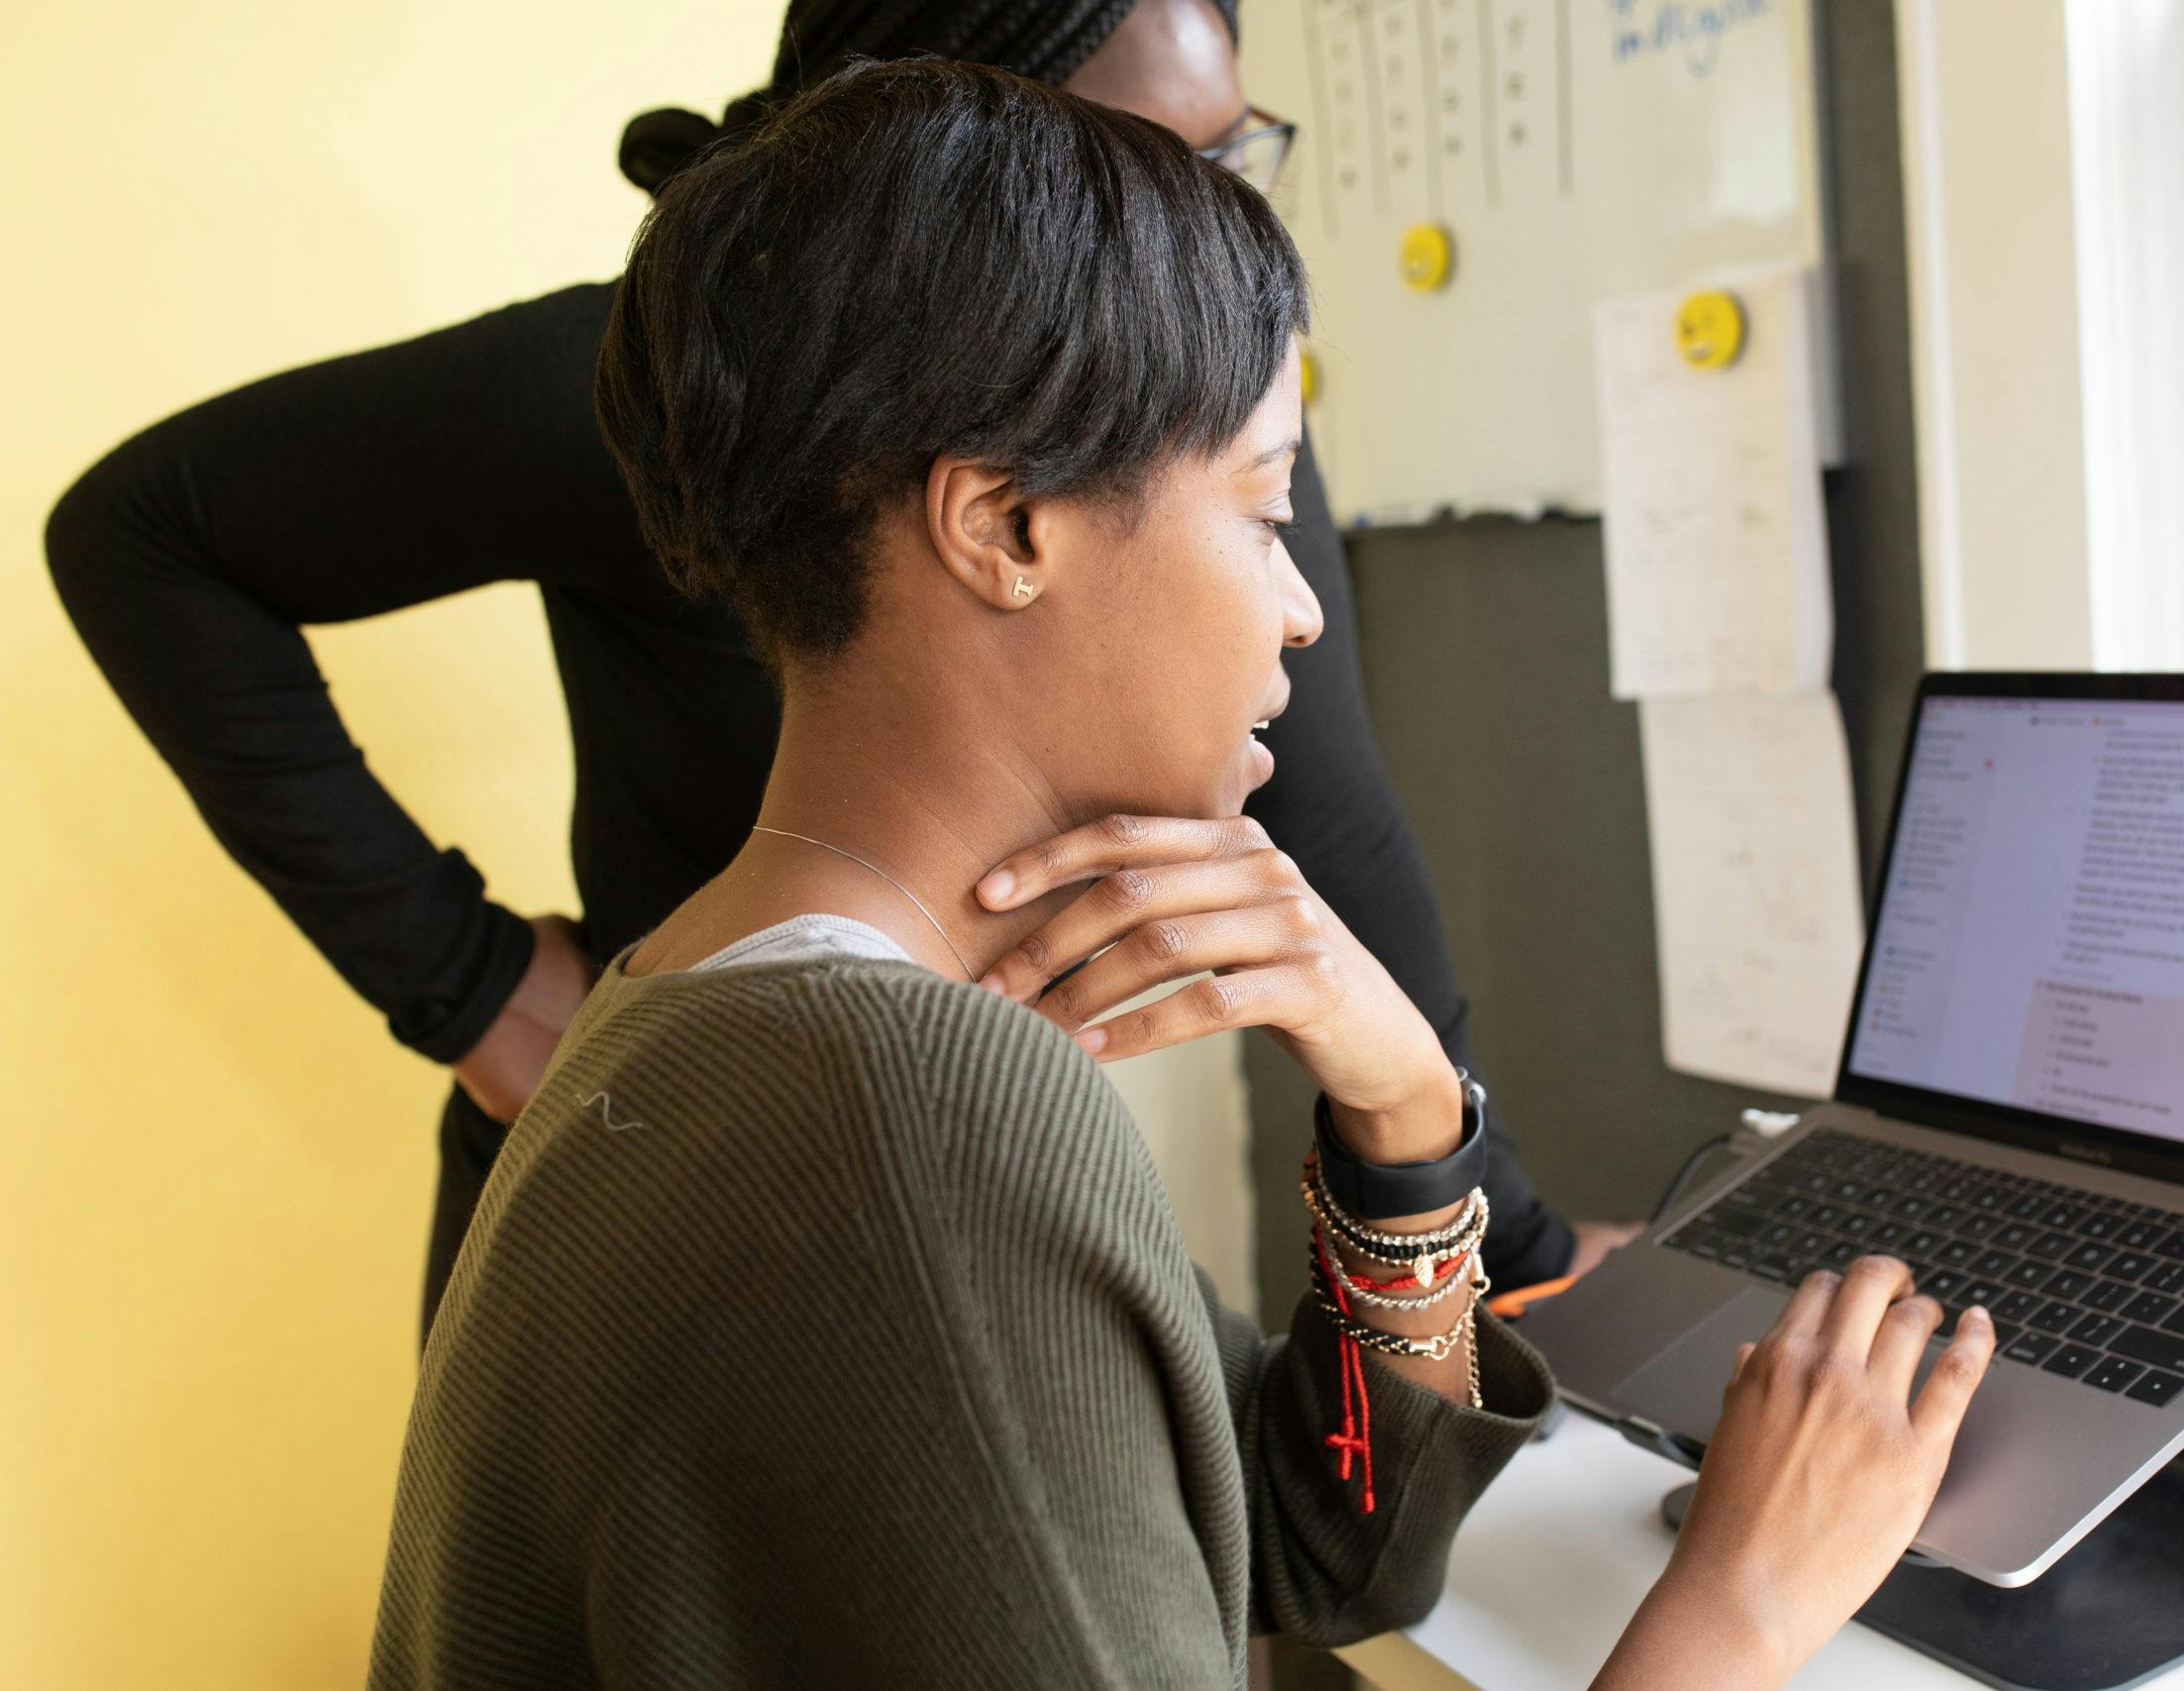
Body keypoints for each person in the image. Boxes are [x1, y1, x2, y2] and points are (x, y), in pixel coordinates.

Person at [364, 57, 1995, 1688]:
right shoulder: (910, 1117)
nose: (1297, 608)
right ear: (1004, 526)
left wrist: (1410, 1117)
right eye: (1263, 508)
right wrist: (1749, 1606)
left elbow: (1316, 1542)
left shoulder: (701, 992)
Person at [42, 0, 1633, 1340]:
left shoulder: (1186, 413)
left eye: (1235, 154)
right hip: (702, 1214)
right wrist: (467, 987)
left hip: (949, 1184)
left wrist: (1501, 1240)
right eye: (1161, 163)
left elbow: (1331, 830)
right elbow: (145, 539)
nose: (1234, 225)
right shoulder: (677, 396)